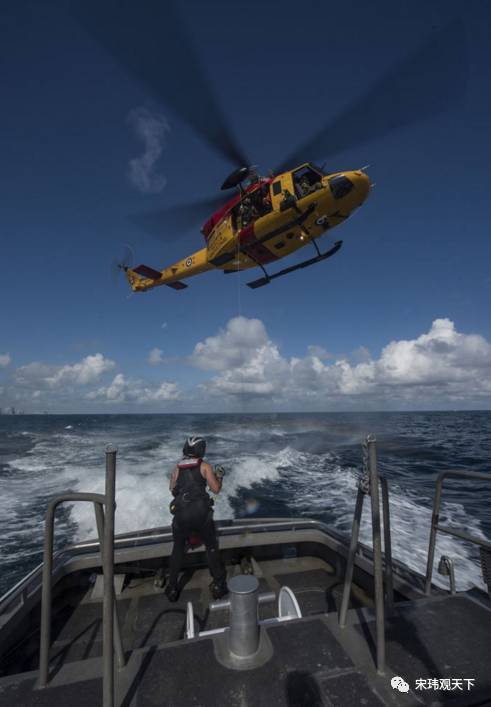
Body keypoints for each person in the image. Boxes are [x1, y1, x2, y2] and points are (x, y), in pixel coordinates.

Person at [163, 436, 227, 602]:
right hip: (201, 516)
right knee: (211, 546)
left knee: (177, 548)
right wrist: (219, 476)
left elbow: (172, 490)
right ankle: (218, 584)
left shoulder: (177, 468)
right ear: (201, 450)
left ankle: (172, 588)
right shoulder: (204, 466)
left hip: (181, 516)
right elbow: (216, 489)